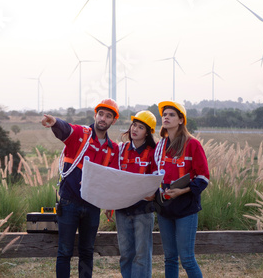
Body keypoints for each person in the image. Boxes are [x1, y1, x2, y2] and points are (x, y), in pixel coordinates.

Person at [41, 98, 120, 278]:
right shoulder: (81, 134)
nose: (103, 118)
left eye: (108, 116)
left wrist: (110, 204)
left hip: (93, 206)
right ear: (95, 115)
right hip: (69, 203)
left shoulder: (113, 149)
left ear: (113, 121)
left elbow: (111, 179)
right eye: (101, 114)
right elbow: (66, 129)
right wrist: (54, 122)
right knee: (65, 252)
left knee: (87, 252)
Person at [153, 101, 210, 278]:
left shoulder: (193, 144)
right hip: (164, 208)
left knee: (186, 258)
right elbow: (155, 174)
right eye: (164, 115)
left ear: (180, 120)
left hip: (186, 208)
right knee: (169, 258)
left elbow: (203, 177)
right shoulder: (160, 146)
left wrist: (181, 191)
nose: (166, 117)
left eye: (171, 115)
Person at [109, 110, 158, 278]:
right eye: (134, 125)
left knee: (142, 255)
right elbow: (113, 178)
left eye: (141, 127)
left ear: (148, 132)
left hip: (143, 211)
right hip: (122, 210)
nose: (134, 129)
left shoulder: (154, 152)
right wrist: (110, 203)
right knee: (126, 254)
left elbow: (158, 179)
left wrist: (153, 193)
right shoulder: (121, 149)